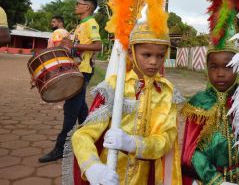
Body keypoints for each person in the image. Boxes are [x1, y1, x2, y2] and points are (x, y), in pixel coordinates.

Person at [66, 21, 182, 184]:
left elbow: (167, 139)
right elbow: (83, 134)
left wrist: (133, 144)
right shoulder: (114, 87)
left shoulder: (166, 91)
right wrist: (93, 167)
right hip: (112, 174)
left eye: (160, 55)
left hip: (147, 177)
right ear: (130, 52)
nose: (154, 62)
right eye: (147, 55)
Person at [181, 0, 239, 185]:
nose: (220, 73)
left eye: (228, 66)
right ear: (206, 68)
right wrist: (216, 180)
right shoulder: (199, 104)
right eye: (214, 67)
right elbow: (190, 152)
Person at [38, 0, 102, 163]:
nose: (75, 6)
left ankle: (61, 148)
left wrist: (73, 45)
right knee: (80, 108)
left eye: (78, 4)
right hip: (76, 70)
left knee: (70, 109)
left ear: (87, 7)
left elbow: (98, 45)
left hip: (83, 71)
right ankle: (91, 140)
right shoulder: (80, 25)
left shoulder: (91, 24)